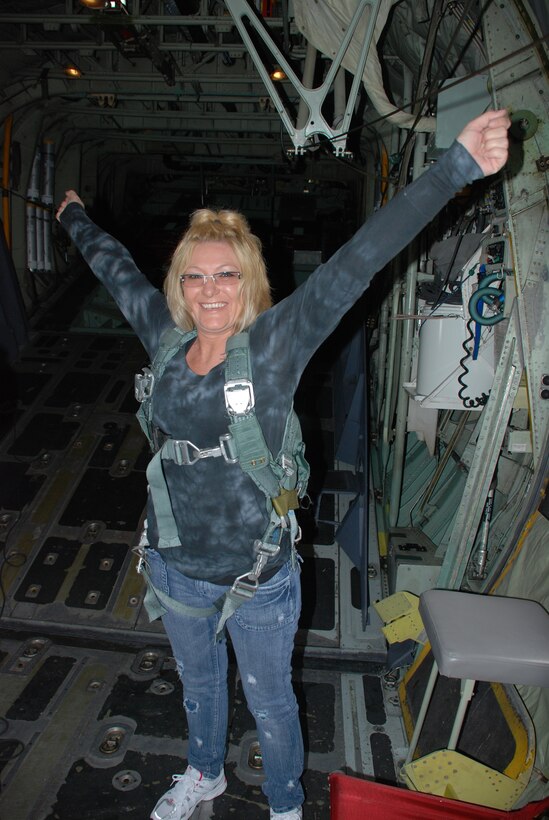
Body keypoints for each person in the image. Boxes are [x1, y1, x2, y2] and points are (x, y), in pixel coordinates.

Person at [56, 109, 510, 820]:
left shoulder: (274, 344)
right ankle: (202, 773)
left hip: (257, 575)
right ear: (179, 284)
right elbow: (114, 268)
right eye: (195, 276)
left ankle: (283, 804)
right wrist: (75, 216)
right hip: (175, 568)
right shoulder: (167, 340)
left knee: (270, 700)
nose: (210, 289)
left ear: (250, 282)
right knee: (199, 687)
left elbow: (361, 257)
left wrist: (454, 167)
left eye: (226, 275)